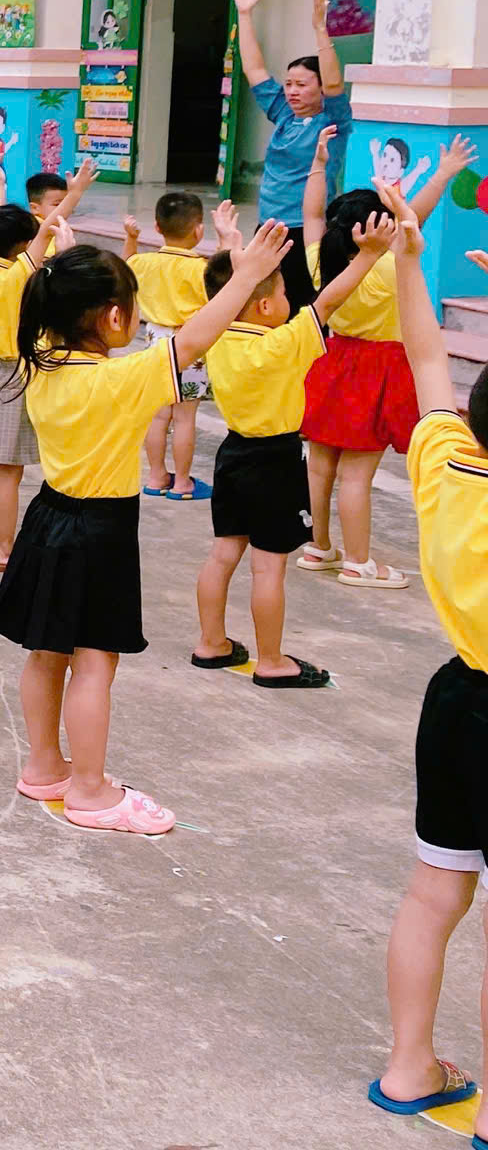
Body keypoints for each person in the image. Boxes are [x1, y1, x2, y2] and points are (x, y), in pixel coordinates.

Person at [0, 219, 291, 834]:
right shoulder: (120, 380)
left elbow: (62, 299)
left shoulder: (40, 360)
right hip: (99, 531)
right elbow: (193, 339)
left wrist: (67, 258)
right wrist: (247, 277)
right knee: (95, 664)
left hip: (48, 517)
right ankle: (90, 791)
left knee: (46, 653)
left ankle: (44, 766)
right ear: (112, 317)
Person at [363, 191, 488, 1121]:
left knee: (432, 892)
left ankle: (408, 1067)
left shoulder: (448, 463)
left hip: (459, 705)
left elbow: (427, 356)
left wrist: (409, 260)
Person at [192, 201, 394, 688]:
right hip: (275, 460)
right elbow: (329, 300)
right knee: (268, 569)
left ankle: (211, 643)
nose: (289, 299)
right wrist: (368, 256)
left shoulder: (215, 335)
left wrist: (230, 244)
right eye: (283, 292)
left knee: (222, 556)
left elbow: (227, 291)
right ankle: (271, 660)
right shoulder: (282, 344)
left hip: (233, 454)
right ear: (265, 306)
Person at [298, 129, 471, 586]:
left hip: (330, 361)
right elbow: (416, 219)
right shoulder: (392, 265)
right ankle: (359, 562)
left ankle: (318, 547)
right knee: (356, 474)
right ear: (384, 228)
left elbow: (311, 212)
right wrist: (443, 173)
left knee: (319, 464)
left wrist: (319, 163)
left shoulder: (320, 260)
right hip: (377, 372)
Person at [0, 179, 84, 571]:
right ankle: (5, 549)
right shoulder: (16, 276)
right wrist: (75, 193)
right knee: (10, 472)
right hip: (18, 376)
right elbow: (46, 231)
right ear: (19, 246)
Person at [230, 0, 348, 308]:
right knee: (261, 303)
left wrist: (320, 28)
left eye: (302, 84)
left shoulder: (333, 119)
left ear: (320, 88)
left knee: (301, 304)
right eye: (288, 84)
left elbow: (335, 82)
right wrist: (244, 15)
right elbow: (254, 69)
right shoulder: (284, 113)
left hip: (306, 231)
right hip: (268, 225)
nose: (292, 91)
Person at [127, 192, 214, 501]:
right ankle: (182, 483)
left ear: (157, 227)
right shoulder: (202, 269)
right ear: (199, 230)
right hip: (191, 345)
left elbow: (128, 267)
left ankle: (155, 476)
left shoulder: (144, 262)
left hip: (154, 342)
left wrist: (131, 239)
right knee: (185, 417)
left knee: (158, 415)